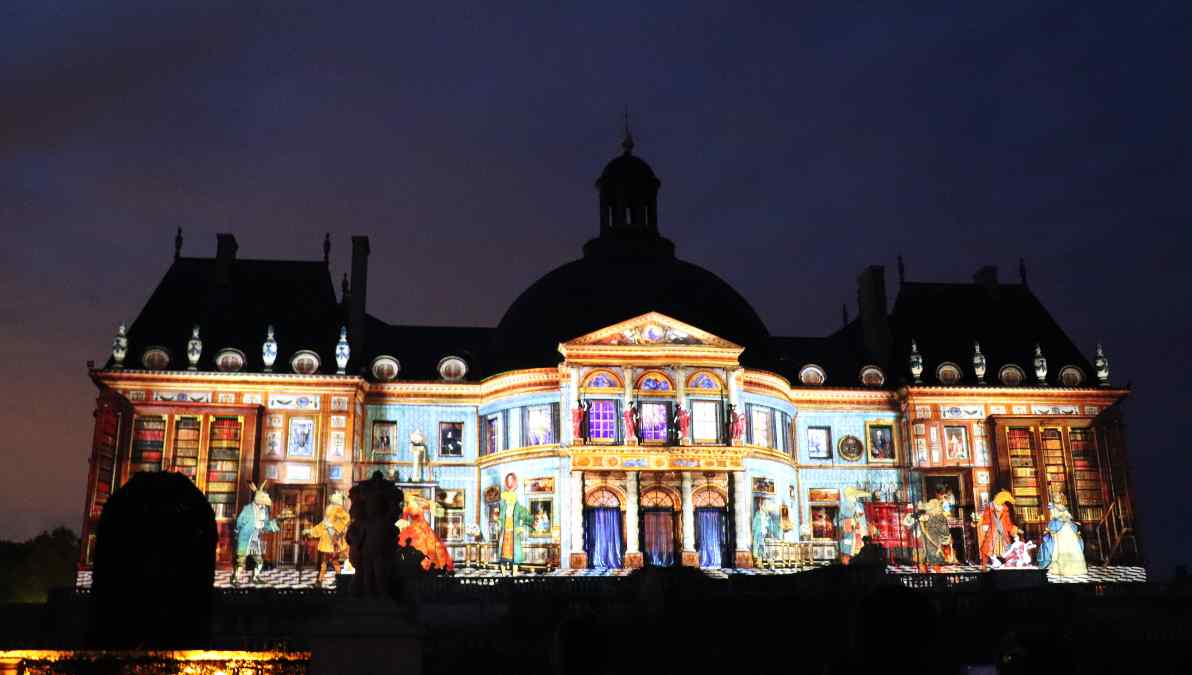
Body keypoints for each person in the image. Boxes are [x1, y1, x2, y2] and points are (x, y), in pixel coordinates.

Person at [232, 481, 279, 586]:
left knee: (259, 561)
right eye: (262, 502)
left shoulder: (265, 510)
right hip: (244, 539)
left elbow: (266, 525)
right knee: (241, 562)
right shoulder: (247, 509)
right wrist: (236, 532)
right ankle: (236, 579)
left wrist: (277, 523)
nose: (263, 505)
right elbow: (239, 522)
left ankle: (255, 577)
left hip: (255, 540)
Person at [395, 492, 454, 572]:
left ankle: (431, 566)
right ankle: (422, 566)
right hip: (415, 528)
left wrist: (433, 505)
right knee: (422, 546)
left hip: (424, 527)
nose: (413, 499)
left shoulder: (419, 505)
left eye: (413, 498)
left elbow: (437, 511)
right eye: (411, 498)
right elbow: (404, 520)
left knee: (431, 547)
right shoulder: (407, 508)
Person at [303, 490, 350, 586]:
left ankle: (332, 580)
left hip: (333, 539)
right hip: (327, 539)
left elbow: (346, 518)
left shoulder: (338, 509)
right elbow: (323, 524)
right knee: (328, 561)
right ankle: (322, 580)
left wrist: (334, 527)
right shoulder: (330, 508)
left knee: (334, 561)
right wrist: (311, 531)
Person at [497, 473, 533, 575]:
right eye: (508, 480)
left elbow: (527, 518)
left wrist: (521, 527)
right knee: (503, 555)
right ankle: (504, 575)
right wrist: (499, 521)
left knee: (515, 555)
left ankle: (514, 575)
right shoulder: (503, 504)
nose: (510, 482)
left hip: (514, 533)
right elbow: (500, 517)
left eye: (511, 480)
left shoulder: (518, 507)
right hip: (505, 532)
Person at [1037, 502, 1087, 576]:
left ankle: (1062, 567)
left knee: (1058, 547)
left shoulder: (1059, 520)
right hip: (1066, 534)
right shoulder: (1064, 520)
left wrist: (1049, 530)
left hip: (1064, 536)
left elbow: (1053, 527)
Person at [976, 490, 1017, 567]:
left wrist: (1012, 529)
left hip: (1003, 532)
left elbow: (1007, 522)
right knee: (987, 548)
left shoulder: (1005, 508)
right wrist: (978, 522)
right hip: (993, 531)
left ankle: (1008, 563)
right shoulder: (990, 507)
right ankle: (991, 562)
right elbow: (985, 519)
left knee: (1006, 550)